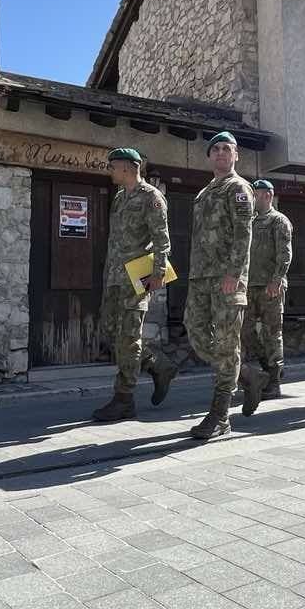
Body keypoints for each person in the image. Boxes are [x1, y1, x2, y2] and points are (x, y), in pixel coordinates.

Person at [90, 148, 177, 423]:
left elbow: (162, 240)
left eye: (112, 166)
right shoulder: (118, 198)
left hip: (137, 277)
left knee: (128, 339)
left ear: (128, 168)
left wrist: (158, 273)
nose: (110, 171)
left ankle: (124, 399)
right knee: (114, 334)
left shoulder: (152, 198)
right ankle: (157, 364)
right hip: (115, 277)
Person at [184, 131, 254, 440]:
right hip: (200, 277)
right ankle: (248, 375)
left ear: (236, 156)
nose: (222, 153)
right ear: (210, 157)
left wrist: (234, 273)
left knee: (226, 343)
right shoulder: (203, 193)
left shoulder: (238, 188)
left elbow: (243, 234)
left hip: (227, 278)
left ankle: (220, 414)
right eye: (217, 149)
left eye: (228, 149)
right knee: (196, 332)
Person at [239, 179, 292, 415]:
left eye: (257, 195)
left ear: (268, 196)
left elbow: (285, 254)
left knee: (272, 333)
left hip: (271, 286)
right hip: (250, 286)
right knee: (244, 332)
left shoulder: (278, 221)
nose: (253, 199)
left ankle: (274, 381)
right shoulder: (249, 222)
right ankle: (265, 369)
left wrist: (277, 279)